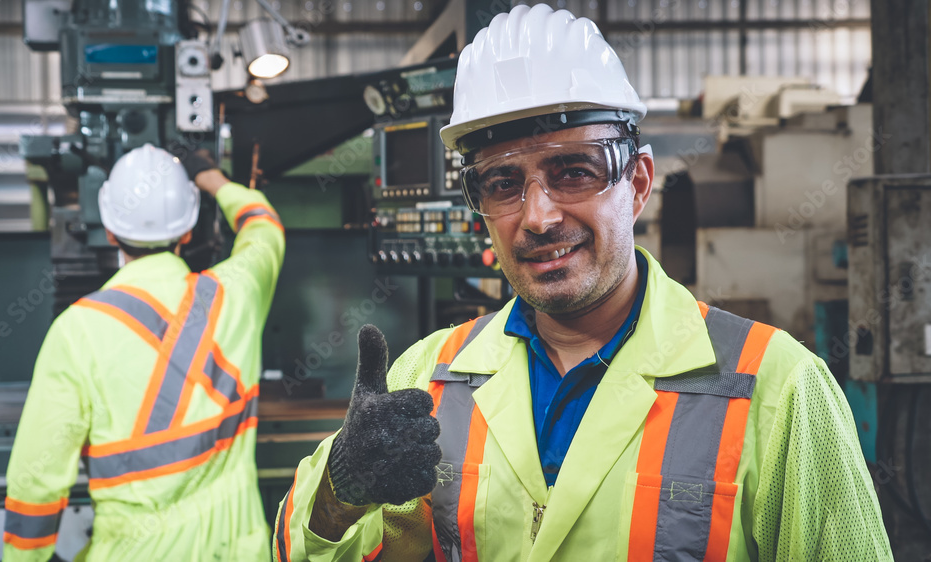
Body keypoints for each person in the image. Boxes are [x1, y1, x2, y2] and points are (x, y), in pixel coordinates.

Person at [273, 5, 891, 561]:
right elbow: (298, 549)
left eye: (573, 171)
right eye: (502, 183)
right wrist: (338, 495)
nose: (538, 217)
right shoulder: (427, 376)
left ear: (639, 183)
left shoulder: (778, 390)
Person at [3, 143, 284, 561]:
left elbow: (35, 483)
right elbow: (263, 226)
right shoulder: (237, 293)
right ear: (188, 230)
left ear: (110, 230)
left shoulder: (76, 331)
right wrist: (212, 179)